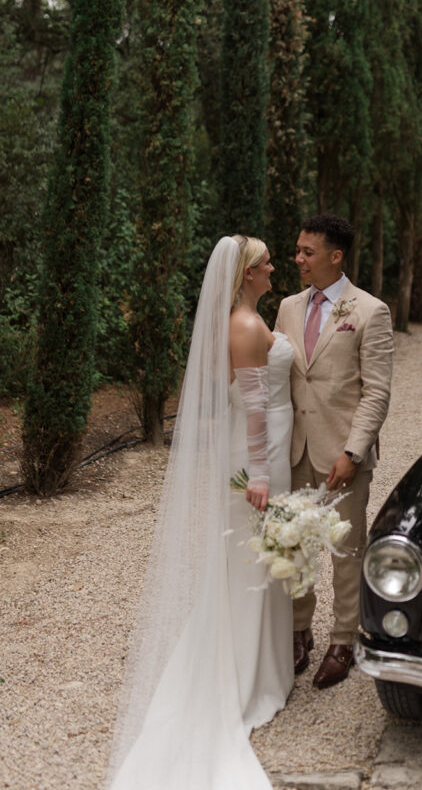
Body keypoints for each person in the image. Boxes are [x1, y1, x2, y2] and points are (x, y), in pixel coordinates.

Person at [106, 235, 294, 790]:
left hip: (266, 444)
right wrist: (259, 474)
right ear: (245, 274)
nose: (273, 267)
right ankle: (246, 679)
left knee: (259, 559)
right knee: (250, 563)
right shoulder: (243, 325)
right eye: (265, 263)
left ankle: (266, 672)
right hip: (260, 453)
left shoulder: (246, 319)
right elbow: (255, 407)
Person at [275, 214, 394, 688]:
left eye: (307, 252)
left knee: (346, 550)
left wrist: (354, 451)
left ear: (335, 255)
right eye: (298, 250)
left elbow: (376, 392)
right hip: (292, 450)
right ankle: (298, 631)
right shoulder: (286, 307)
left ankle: (344, 639)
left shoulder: (370, 311)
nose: (298, 259)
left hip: (342, 455)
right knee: (294, 544)